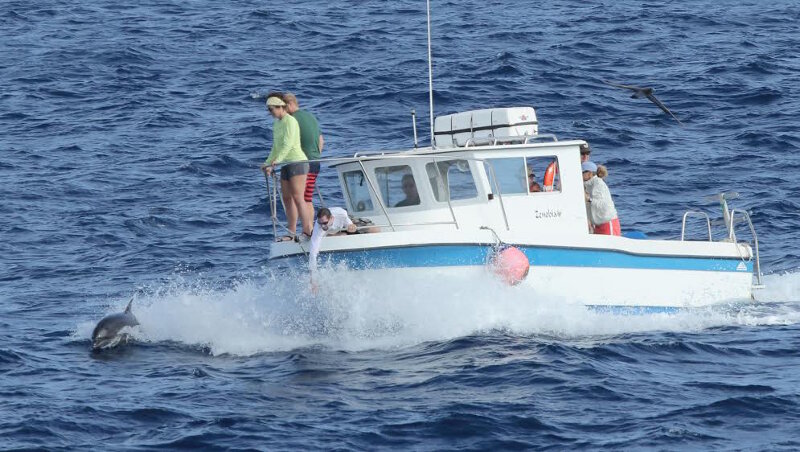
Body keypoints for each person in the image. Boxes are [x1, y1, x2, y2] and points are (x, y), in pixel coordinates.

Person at [260, 92, 312, 240]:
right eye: (269, 110)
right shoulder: (276, 124)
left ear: (280, 107)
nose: (270, 113)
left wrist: (277, 161)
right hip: (285, 164)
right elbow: (276, 147)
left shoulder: (290, 121)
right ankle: (292, 231)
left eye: (271, 109)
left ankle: (308, 230)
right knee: (287, 198)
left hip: (297, 162)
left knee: (298, 197)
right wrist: (268, 162)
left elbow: (289, 144)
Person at [284, 93, 324, 221]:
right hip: (315, 162)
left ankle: (301, 230)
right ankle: (310, 228)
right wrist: (315, 156)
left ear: (289, 105)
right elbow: (321, 140)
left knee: (297, 198)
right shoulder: (310, 116)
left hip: (302, 165)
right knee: (307, 198)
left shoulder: (292, 120)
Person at [582, 161, 621, 236]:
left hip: (608, 223)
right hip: (597, 225)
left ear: (589, 173)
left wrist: (589, 199)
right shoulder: (587, 186)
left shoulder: (599, 183)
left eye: (582, 172)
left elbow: (604, 205)